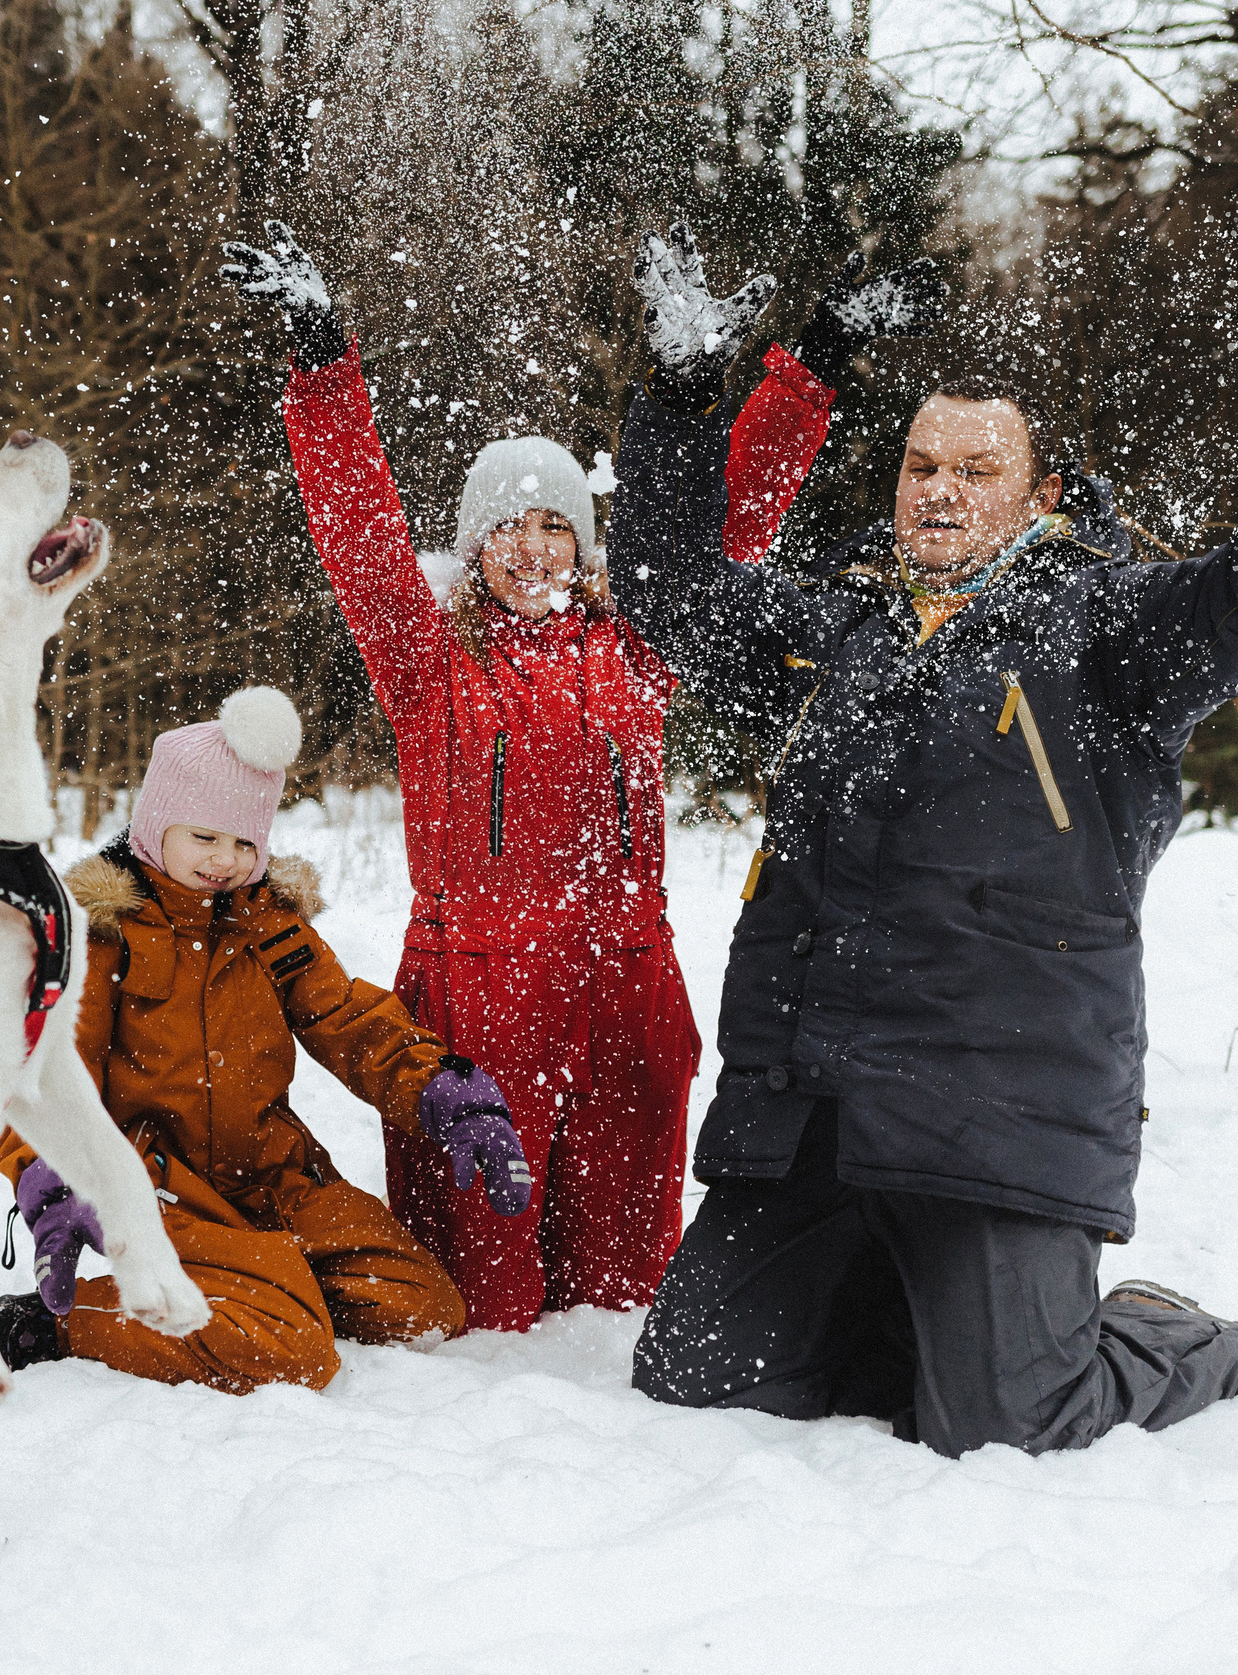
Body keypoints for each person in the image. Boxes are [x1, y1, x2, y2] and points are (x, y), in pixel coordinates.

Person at [610, 222, 1238, 1455]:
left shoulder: (1104, 629)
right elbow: (672, 590)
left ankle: (1180, 1341)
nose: (939, 491)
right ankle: (919, 1323)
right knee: (697, 1378)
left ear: (1040, 493)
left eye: (974, 468)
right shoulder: (836, 625)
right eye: (918, 466)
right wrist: (688, 401)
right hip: (814, 1109)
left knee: (1011, 1421)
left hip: (988, 1103)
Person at [219, 220, 945, 1332]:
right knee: (480, 1310)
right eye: (508, 527)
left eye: (558, 525)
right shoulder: (429, 659)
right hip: (477, 999)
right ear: (472, 545)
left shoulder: (639, 641)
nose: (534, 548)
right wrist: (323, 365)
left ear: (587, 544)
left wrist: (816, 363)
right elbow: (357, 532)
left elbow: (735, 512)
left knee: (618, 1309)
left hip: (624, 992)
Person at [0, 686, 530, 1392]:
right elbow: (47, 1070)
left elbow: (349, 1020)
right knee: (292, 1352)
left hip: (274, 1178)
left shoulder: (270, 925)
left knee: (420, 1305)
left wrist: (446, 1090)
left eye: (245, 841)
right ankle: (62, 1321)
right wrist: (54, 1176)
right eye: (204, 837)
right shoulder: (103, 935)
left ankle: (259, 1287)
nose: (223, 860)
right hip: (168, 1186)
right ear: (157, 824)